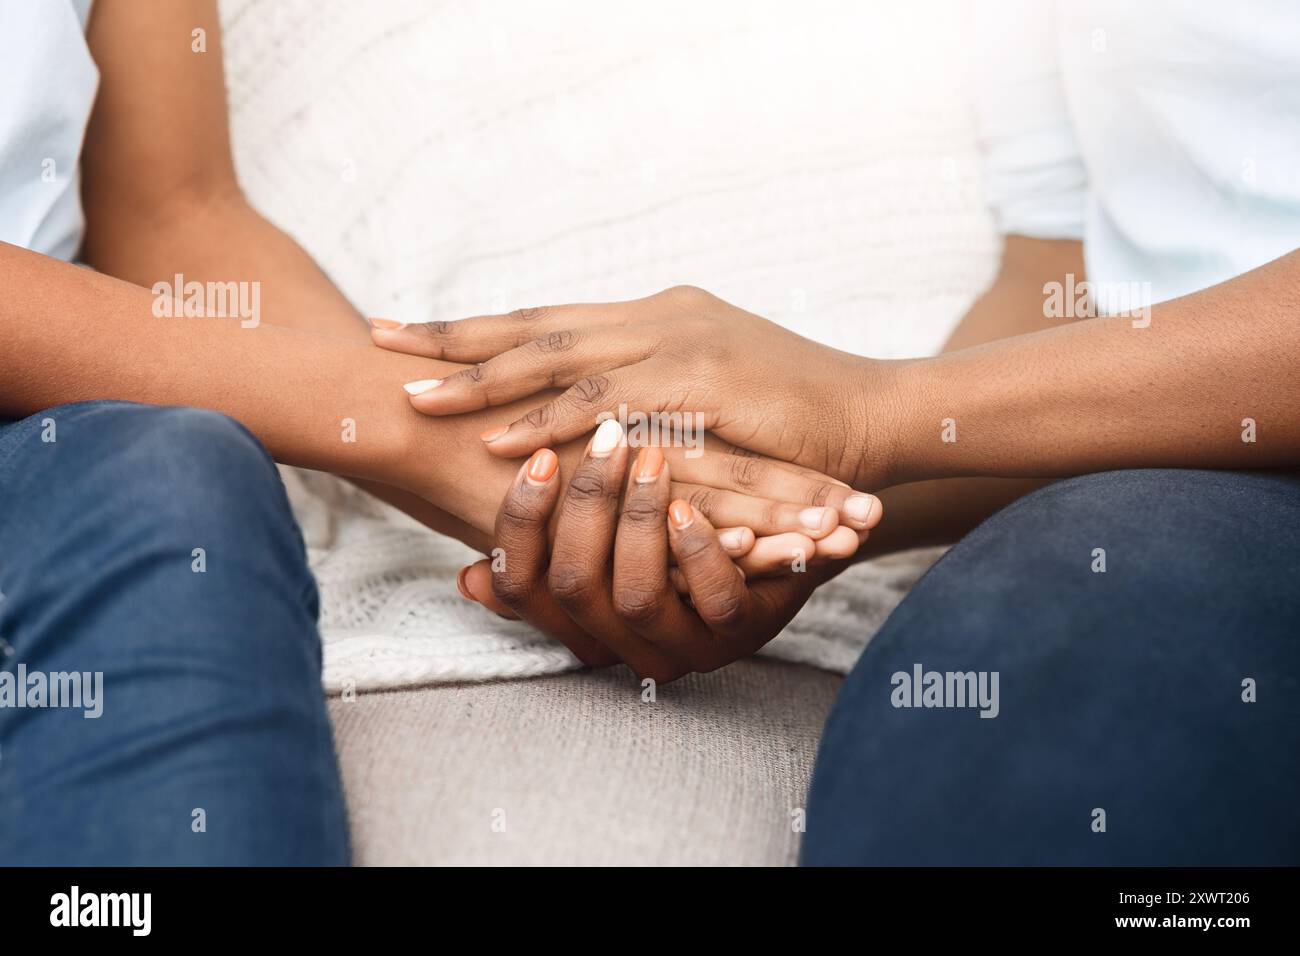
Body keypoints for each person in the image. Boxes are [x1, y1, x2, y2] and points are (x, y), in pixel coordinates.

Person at [374, 1, 1300, 863]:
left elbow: (890, 412)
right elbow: (1061, 305)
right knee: (1012, 719)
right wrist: (790, 521)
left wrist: (870, 410)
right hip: (1202, 474)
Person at [0, 0, 862, 864]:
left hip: (46, 449)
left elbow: (173, 210)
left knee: (175, 480)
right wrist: (418, 430)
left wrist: (494, 445)